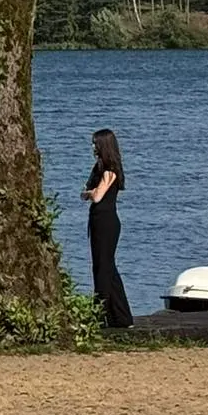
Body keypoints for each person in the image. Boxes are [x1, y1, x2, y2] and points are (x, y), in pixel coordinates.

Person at [83, 128, 132, 329]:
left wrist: (90, 193)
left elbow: (96, 196)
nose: (94, 147)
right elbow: (87, 191)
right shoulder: (98, 168)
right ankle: (119, 317)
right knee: (104, 267)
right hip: (97, 220)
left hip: (107, 222)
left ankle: (101, 314)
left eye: (96, 144)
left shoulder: (110, 170)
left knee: (105, 268)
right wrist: (89, 192)